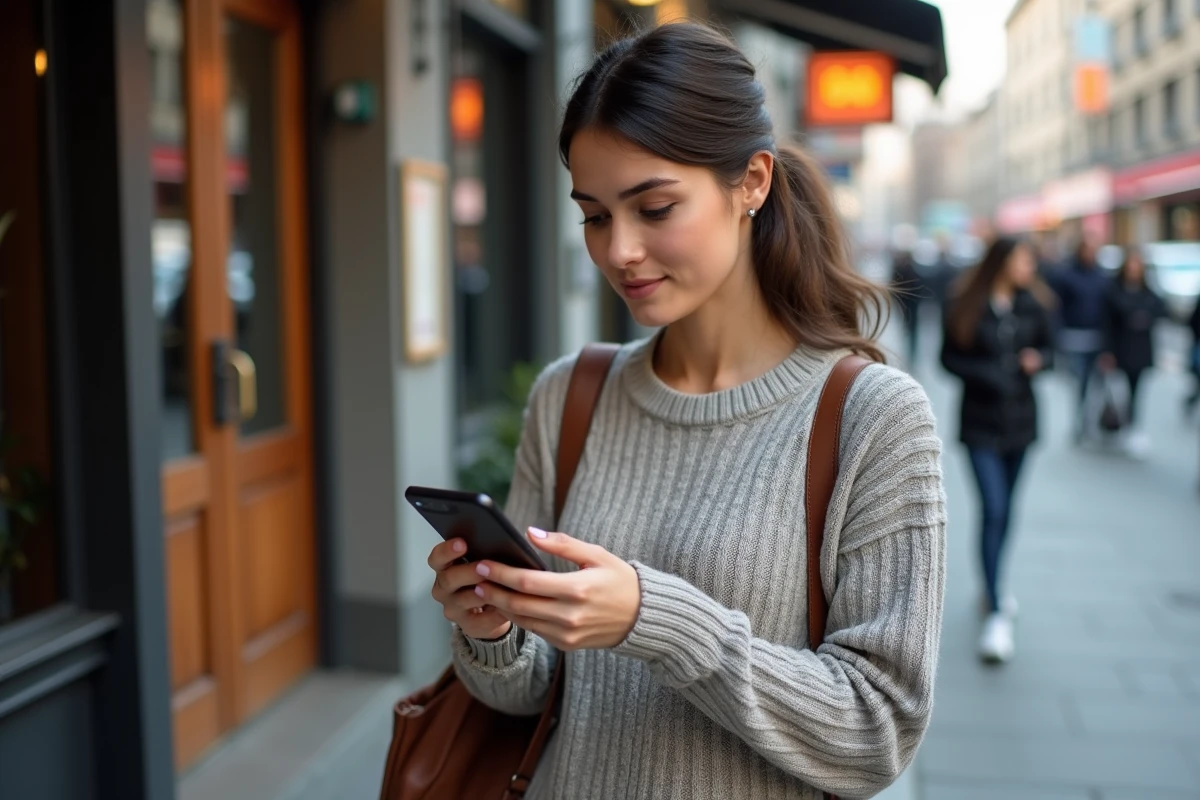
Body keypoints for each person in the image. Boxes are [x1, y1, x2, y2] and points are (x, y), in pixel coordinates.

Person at [426, 23, 946, 800]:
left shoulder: (873, 417)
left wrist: (655, 619)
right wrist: (491, 627)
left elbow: (877, 732)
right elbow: (527, 694)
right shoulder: (570, 397)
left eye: (655, 207)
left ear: (752, 183)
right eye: (596, 216)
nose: (620, 250)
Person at [941, 237, 1055, 664]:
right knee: (994, 506)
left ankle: (995, 583)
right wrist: (989, 373)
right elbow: (947, 359)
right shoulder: (967, 302)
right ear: (1002, 262)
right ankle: (994, 601)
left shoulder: (1035, 303)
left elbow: (1052, 351)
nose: (1030, 266)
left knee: (1008, 509)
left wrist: (1037, 360)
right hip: (980, 423)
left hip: (1022, 423)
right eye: (1024, 258)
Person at [1100, 249, 1167, 459]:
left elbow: (1160, 310)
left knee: (1136, 391)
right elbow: (1107, 323)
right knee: (1119, 392)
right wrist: (1107, 351)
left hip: (1141, 349)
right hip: (1120, 349)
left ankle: (1132, 427)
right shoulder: (1115, 291)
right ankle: (1118, 425)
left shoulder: (1148, 292)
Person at [1048, 238, 1111, 443]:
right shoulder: (1066, 275)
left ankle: (1091, 421)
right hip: (1074, 337)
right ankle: (1080, 423)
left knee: (1098, 384)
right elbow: (1057, 307)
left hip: (1098, 338)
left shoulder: (1102, 276)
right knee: (1080, 382)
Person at [890, 245, 924, 365]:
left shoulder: (904, 269)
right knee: (910, 329)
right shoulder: (910, 269)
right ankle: (911, 352)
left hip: (908, 304)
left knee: (910, 329)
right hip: (908, 304)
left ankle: (911, 353)